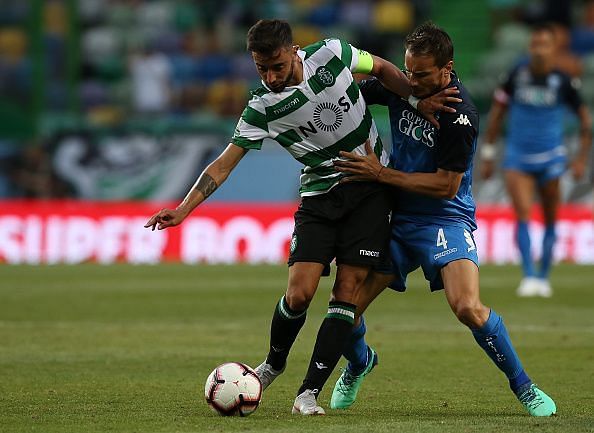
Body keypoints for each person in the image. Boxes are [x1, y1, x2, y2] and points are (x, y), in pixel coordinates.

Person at [144, 19, 458, 415]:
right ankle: (272, 365)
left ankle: (308, 393)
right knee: (299, 293)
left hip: (370, 192)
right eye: (262, 69)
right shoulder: (261, 107)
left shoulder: (332, 53)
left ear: (294, 51)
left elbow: (380, 68)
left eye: (277, 66)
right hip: (319, 199)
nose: (271, 77)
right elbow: (225, 163)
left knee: (346, 291)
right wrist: (183, 209)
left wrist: (414, 101)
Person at [332, 21, 557, 417]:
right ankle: (359, 363)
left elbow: (446, 186)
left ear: (446, 69)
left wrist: (381, 173)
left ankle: (524, 386)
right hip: (395, 218)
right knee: (344, 310)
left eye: (421, 75)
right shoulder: (404, 87)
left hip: (444, 218)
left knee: (467, 306)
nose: (412, 82)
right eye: (408, 71)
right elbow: (355, 95)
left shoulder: (460, 116)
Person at [480, 23, 591, 297]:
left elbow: (585, 121)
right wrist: (489, 153)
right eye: (536, 44)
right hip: (518, 156)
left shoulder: (563, 81)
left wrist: (579, 160)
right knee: (523, 215)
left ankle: (544, 276)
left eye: (546, 44)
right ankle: (529, 275)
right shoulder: (515, 76)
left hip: (552, 156)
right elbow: (496, 114)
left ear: (554, 49)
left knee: (551, 218)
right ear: (530, 48)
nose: (540, 49)